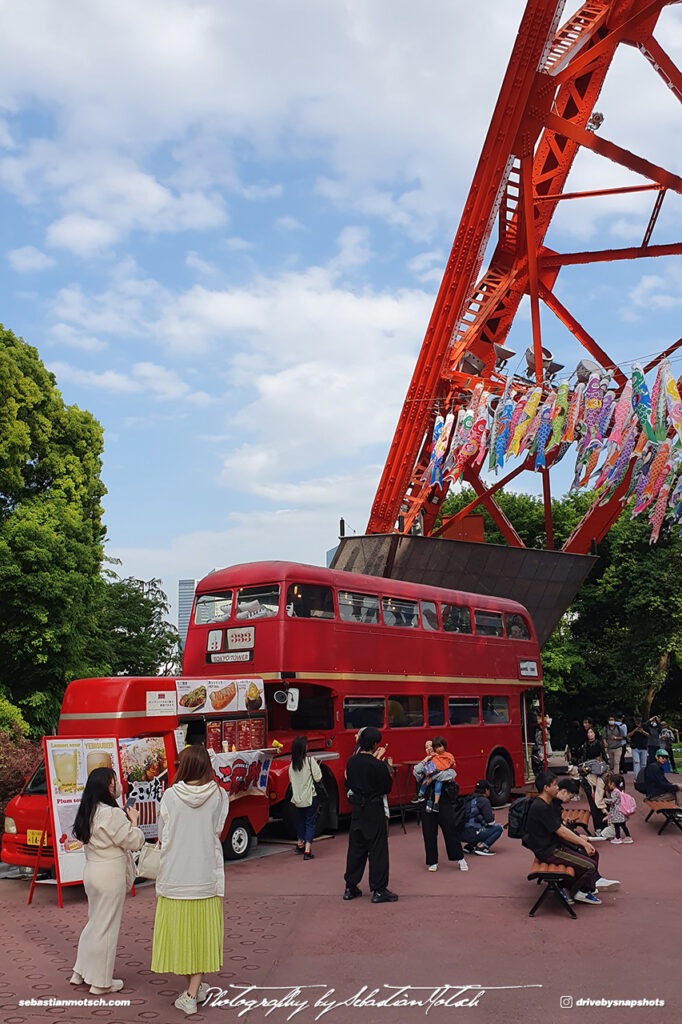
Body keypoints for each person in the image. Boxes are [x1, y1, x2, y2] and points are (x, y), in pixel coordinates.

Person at [151, 744, 229, 1016]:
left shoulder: (170, 796)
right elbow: (217, 830)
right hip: (206, 875)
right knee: (202, 938)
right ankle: (196, 988)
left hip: (175, 876)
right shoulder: (220, 795)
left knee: (180, 938)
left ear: (183, 767)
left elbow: (163, 834)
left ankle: (191, 994)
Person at [70, 766, 145, 994]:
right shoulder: (111, 813)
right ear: (107, 786)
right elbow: (132, 841)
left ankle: (81, 971)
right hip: (110, 873)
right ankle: (101, 982)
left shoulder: (88, 810)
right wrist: (133, 822)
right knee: (107, 927)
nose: (117, 784)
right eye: (114, 781)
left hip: (92, 871)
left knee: (95, 922)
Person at [523, 771, 619, 905]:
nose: (557, 788)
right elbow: (561, 831)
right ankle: (575, 892)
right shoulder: (542, 807)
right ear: (546, 788)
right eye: (555, 785)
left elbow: (558, 827)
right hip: (549, 851)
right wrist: (582, 842)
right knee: (589, 866)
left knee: (587, 858)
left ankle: (582, 887)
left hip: (552, 846)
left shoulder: (545, 804)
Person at [343, 727, 397, 903]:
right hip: (374, 807)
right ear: (374, 744)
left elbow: (348, 782)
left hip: (358, 807)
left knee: (356, 848)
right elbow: (386, 786)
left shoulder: (351, 762)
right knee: (377, 849)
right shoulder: (378, 765)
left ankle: (350, 887)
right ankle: (379, 889)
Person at [288, 735, 322, 859]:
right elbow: (318, 777)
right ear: (304, 748)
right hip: (310, 797)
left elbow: (291, 780)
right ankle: (307, 850)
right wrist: (316, 764)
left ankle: (300, 843)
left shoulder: (292, 765)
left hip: (297, 799)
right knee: (309, 822)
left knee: (300, 821)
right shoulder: (309, 761)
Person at [411, 736, 456, 813]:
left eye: (431, 746)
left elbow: (451, 774)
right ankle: (420, 795)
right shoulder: (427, 762)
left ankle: (436, 803)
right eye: (426, 747)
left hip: (443, 803)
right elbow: (416, 772)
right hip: (427, 803)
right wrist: (426, 759)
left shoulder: (444, 758)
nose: (428, 748)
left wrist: (431, 778)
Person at [462, 780, 503, 855]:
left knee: (478, 826)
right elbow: (491, 822)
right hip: (473, 833)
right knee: (498, 828)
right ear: (486, 790)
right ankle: (483, 847)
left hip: (461, 834)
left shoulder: (468, 798)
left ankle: (470, 846)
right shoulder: (484, 801)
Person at [604, 774, 632, 844]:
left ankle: (618, 838)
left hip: (617, 812)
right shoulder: (620, 791)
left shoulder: (614, 792)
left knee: (616, 826)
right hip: (622, 812)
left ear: (613, 784)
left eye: (609, 783)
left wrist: (605, 800)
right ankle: (628, 837)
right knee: (623, 825)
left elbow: (613, 801)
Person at [628, 715, 649, 781]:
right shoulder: (631, 726)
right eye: (637, 719)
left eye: (639, 719)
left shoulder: (644, 726)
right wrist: (635, 730)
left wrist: (642, 731)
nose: (638, 721)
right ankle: (637, 777)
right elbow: (628, 735)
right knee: (636, 762)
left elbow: (648, 735)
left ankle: (643, 776)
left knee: (643, 763)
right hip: (635, 747)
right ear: (634, 719)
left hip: (643, 747)